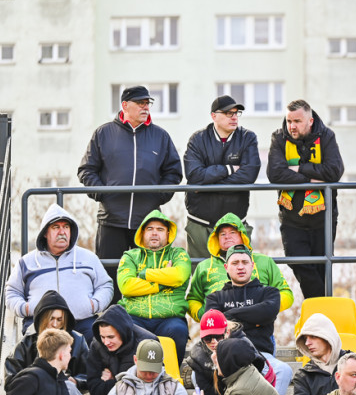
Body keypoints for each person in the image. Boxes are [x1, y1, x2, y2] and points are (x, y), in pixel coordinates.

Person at [77, 85, 182, 284]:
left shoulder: (160, 136)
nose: (146, 107)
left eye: (147, 103)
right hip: (111, 221)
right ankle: (111, 315)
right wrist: (104, 195)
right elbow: (86, 170)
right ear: (125, 105)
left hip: (147, 223)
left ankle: (140, 316)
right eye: (140, 103)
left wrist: (158, 196)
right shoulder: (103, 133)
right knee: (110, 278)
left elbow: (174, 172)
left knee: (146, 278)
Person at [266, 99, 344, 299]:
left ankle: (319, 313)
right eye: (289, 120)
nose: (292, 126)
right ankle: (321, 306)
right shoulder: (279, 138)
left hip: (323, 219)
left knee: (322, 269)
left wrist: (299, 169)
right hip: (292, 220)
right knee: (299, 263)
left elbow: (334, 171)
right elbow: (275, 173)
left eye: (297, 121)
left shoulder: (326, 136)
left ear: (310, 121)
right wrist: (312, 178)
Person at [6, 205, 113, 338]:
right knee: (34, 348)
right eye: (56, 227)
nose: (62, 232)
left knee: (93, 344)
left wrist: (94, 304)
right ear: (45, 233)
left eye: (66, 227)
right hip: (41, 323)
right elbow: (12, 292)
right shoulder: (26, 262)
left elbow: (105, 285)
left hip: (82, 322)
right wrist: (25, 308)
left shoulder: (89, 258)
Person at [203, 244, 292, 395]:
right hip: (226, 356)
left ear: (252, 265)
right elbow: (213, 323)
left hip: (261, 353)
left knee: (284, 370)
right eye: (235, 263)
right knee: (195, 374)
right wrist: (254, 319)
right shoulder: (214, 297)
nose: (240, 267)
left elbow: (268, 311)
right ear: (226, 267)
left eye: (245, 262)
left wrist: (228, 315)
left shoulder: (269, 292)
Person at [183, 95, 261, 259]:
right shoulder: (197, 140)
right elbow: (194, 175)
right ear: (214, 116)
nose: (233, 117)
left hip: (236, 224)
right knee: (201, 278)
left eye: (236, 113)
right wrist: (229, 169)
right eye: (227, 113)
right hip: (200, 223)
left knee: (239, 278)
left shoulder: (247, 138)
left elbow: (248, 175)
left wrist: (207, 184)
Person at [180, 309, 276, 395]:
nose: (213, 342)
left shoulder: (242, 348)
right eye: (208, 338)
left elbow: (248, 392)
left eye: (218, 336)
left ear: (227, 332)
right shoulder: (199, 356)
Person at [184, 213, 294, 322]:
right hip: (220, 328)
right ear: (216, 238)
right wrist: (205, 315)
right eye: (222, 234)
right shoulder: (204, 266)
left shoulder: (264, 261)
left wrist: (265, 309)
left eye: (232, 232)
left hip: (258, 326)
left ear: (242, 235)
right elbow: (193, 299)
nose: (227, 236)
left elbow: (286, 293)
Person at [116, 210, 191, 364]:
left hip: (169, 318)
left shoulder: (179, 254)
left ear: (168, 234)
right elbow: (126, 287)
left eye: (160, 229)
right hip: (135, 316)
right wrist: (164, 280)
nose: (154, 233)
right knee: (125, 329)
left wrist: (144, 274)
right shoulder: (130, 256)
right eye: (150, 229)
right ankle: (131, 377)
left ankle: (171, 378)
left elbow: (179, 276)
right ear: (142, 233)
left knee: (178, 330)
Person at [86, 305, 157, 395]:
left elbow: (150, 383)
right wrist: (121, 381)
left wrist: (112, 380)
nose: (106, 342)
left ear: (123, 332)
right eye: (102, 337)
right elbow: (94, 387)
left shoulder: (147, 343)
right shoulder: (97, 345)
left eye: (111, 337)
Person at [5, 291, 89, 391]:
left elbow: (89, 375)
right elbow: (10, 379)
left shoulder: (78, 341)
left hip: (67, 394)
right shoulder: (26, 343)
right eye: (51, 319)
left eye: (59, 319)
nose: (55, 324)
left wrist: (75, 381)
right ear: (42, 318)